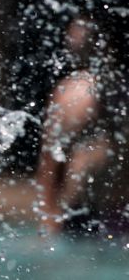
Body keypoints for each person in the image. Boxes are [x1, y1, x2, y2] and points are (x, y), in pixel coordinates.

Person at [35, 17, 128, 237]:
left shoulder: (73, 92)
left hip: (101, 207)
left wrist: (48, 215)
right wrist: (48, 214)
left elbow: (48, 160)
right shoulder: (68, 92)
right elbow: (49, 158)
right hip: (86, 207)